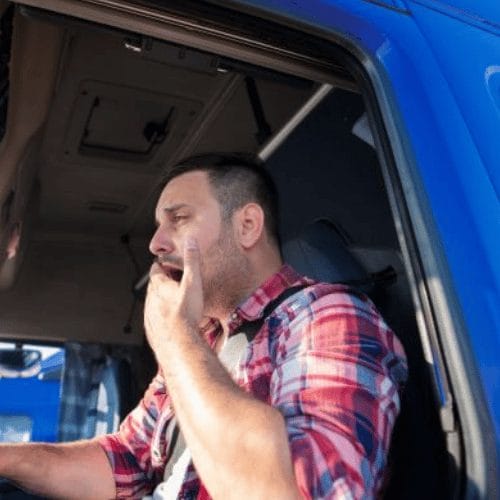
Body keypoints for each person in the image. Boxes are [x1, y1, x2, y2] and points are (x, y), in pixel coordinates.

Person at [0, 154, 407, 499]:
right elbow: (126, 456)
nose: (155, 244)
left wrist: (173, 339)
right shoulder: (205, 341)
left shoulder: (326, 315)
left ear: (247, 226)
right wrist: (7, 457)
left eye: (178, 219)